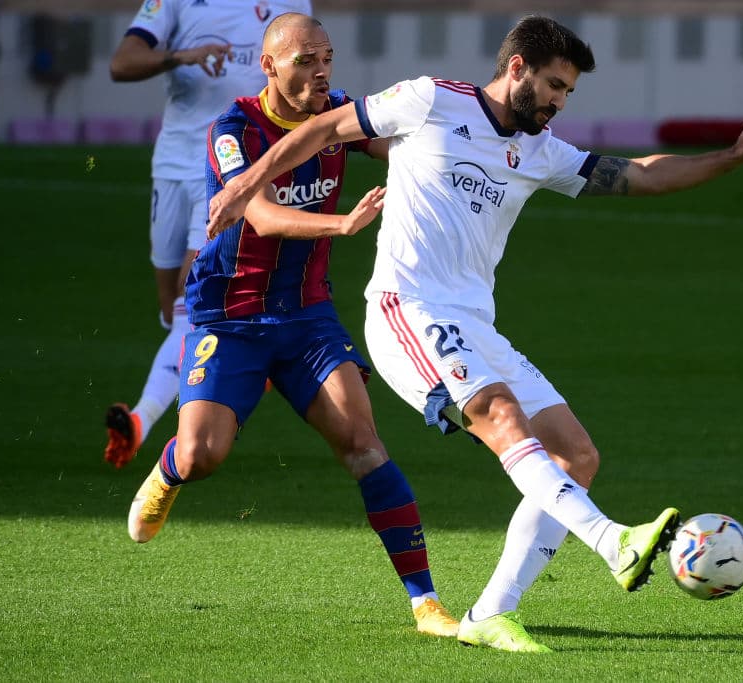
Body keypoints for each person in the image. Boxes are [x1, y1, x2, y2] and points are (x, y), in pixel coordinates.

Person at [206, 15, 743, 653]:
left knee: (576, 455)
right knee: (501, 414)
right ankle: (613, 540)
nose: (560, 102)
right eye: (555, 85)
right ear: (517, 69)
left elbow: (639, 173)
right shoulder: (429, 99)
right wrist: (245, 185)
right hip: (407, 311)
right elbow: (322, 129)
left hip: (476, 325)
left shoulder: (540, 149)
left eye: (569, 92)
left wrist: (730, 159)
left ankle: (490, 613)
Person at [125, 13, 459, 639]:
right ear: (270, 66)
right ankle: (169, 469)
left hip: (306, 316)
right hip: (231, 318)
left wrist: (454, 154)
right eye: (305, 60)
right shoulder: (232, 130)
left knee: (363, 443)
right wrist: (343, 225)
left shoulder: (336, 113)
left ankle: (426, 603)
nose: (320, 72)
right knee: (202, 455)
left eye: (326, 57)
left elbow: (401, 149)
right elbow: (262, 216)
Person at [103, 0, 312, 468]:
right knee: (172, 308)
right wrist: (182, 56)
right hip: (172, 163)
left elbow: (302, 77)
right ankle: (250, 364)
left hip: (231, 169)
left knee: (189, 297)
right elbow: (122, 64)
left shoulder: (292, 4)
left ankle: (143, 421)